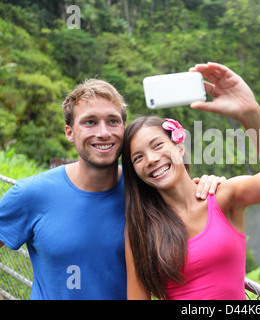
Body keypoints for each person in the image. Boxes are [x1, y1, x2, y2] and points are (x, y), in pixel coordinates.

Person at [0, 79, 224, 300]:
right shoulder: (32, 194)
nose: (104, 132)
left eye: (113, 121)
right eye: (90, 122)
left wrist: (210, 183)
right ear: (69, 132)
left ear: (124, 130)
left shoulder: (145, 187)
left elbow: (193, 206)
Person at [123, 62, 260, 300]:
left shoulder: (224, 196)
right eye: (138, 157)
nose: (151, 159)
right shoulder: (141, 229)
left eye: (158, 145)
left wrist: (250, 113)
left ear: (179, 145)